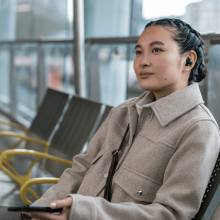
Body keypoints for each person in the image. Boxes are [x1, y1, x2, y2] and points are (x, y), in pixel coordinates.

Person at [23, 18, 220, 220]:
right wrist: (41, 209)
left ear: (189, 60)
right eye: (138, 52)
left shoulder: (198, 129)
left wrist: (82, 211)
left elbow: (171, 214)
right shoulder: (123, 112)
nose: (143, 61)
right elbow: (81, 168)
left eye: (156, 50)